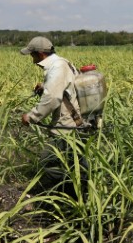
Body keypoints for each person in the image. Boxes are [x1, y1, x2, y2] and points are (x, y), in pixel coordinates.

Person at [20, 36, 87, 198]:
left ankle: (63, 197)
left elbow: (52, 99)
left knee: (49, 160)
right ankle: (81, 194)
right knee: (76, 162)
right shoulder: (63, 63)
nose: (32, 60)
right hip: (76, 122)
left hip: (67, 124)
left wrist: (31, 117)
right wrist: (44, 87)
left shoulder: (57, 67)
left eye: (32, 55)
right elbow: (65, 87)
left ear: (40, 54)